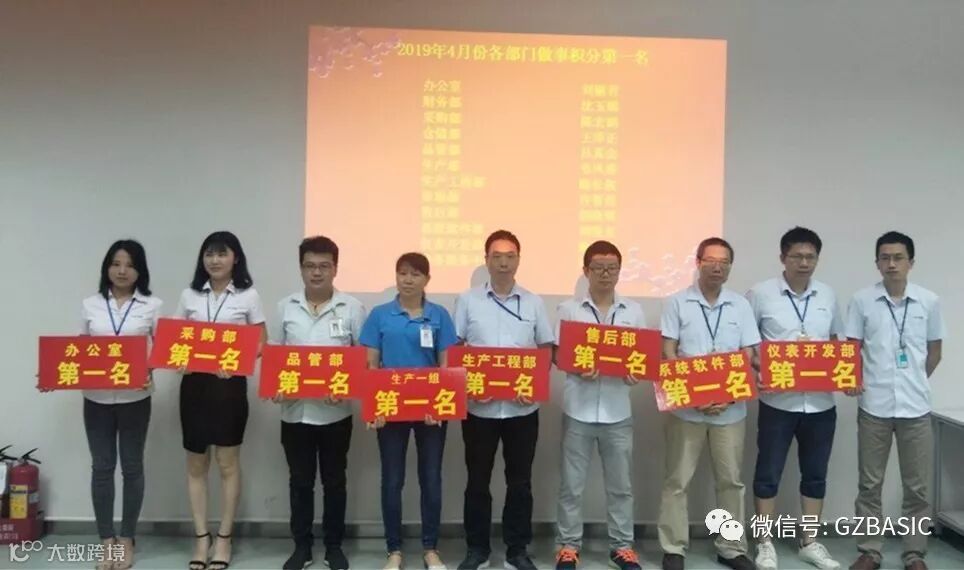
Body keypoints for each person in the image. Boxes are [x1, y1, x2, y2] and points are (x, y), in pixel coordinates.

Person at [658, 237, 760, 570]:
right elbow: (669, 352)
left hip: (730, 410)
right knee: (677, 480)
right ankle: (674, 547)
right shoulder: (677, 302)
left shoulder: (740, 305)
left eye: (724, 262)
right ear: (698, 262)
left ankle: (730, 547)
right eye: (711, 260)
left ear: (730, 267)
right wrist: (694, 397)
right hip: (687, 411)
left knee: (730, 481)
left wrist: (729, 395)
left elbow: (747, 354)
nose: (717, 267)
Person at [454, 230, 554, 570]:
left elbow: (545, 348)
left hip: (522, 409)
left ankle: (517, 549)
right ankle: (477, 549)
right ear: (486, 260)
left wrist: (535, 384)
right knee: (477, 481)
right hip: (479, 408)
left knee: (520, 482)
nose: (503, 263)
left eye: (510, 256)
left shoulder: (533, 302)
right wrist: (467, 384)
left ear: (518, 260)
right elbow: (456, 349)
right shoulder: (468, 301)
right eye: (496, 256)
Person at [846, 231, 944, 570]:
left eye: (898, 257)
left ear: (910, 262)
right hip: (873, 406)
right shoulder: (862, 301)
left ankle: (914, 553)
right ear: (877, 263)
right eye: (885, 258)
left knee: (917, 487)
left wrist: (914, 379)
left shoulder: (928, 301)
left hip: (916, 408)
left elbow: (934, 352)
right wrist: (857, 380)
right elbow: (852, 349)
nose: (891, 264)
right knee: (869, 484)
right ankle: (869, 551)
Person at [747, 227, 843, 570]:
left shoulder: (827, 295)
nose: (804, 262)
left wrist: (844, 372)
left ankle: (810, 542)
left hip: (820, 404)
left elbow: (836, 344)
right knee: (767, 473)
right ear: (782, 258)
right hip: (778, 402)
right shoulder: (760, 294)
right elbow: (747, 345)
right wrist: (762, 368)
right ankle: (764, 543)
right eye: (797, 256)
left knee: (815, 474)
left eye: (810, 257)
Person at [359, 252, 458, 570]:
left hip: (430, 410)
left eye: (415, 274)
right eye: (402, 273)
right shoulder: (380, 315)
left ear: (427, 279)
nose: (408, 280)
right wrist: (374, 407)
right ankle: (394, 550)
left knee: (431, 478)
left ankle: (430, 548)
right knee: (392, 479)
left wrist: (441, 406)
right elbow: (371, 365)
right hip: (391, 408)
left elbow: (446, 366)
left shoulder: (439, 315)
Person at [176, 231, 266, 570]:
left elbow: (262, 342)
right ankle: (202, 537)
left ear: (235, 258)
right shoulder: (189, 295)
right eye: (209, 254)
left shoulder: (248, 296)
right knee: (196, 465)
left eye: (222, 253)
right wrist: (179, 359)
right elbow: (175, 339)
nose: (214, 260)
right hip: (194, 388)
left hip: (229, 388)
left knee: (228, 464)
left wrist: (239, 361)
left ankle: (225, 537)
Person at [553, 240, 645, 570]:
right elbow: (558, 355)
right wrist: (575, 366)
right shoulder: (569, 310)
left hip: (618, 411)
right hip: (577, 409)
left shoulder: (633, 311)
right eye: (598, 267)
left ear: (619, 271)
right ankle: (568, 546)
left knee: (621, 486)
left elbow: (640, 356)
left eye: (612, 268)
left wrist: (636, 372)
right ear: (585, 271)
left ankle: (622, 547)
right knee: (571, 486)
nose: (605, 274)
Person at [275, 236, 366, 570]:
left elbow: (363, 361)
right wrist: (277, 388)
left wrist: (348, 388)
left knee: (334, 482)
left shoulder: (352, 308)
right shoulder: (285, 307)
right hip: (295, 413)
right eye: (310, 266)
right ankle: (302, 546)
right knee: (299, 482)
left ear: (335, 269)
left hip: (335, 414)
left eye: (324, 266)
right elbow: (275, 357)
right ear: (301, 268)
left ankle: (333, 546)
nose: (317, 273)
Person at [78, 239, 162, 570]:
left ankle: (127, 538)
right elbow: (79, 350)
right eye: (116, 263)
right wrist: (57, 374)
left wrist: (150, 372)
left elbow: (162, 351)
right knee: (101, 468)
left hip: (134, 400)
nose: (122, 270)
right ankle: (106, 541)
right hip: (96, 399)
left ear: (140, 270)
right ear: (107, 268)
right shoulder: (90, 305)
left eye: (129, 264)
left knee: (132, 467)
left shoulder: (152, 305)